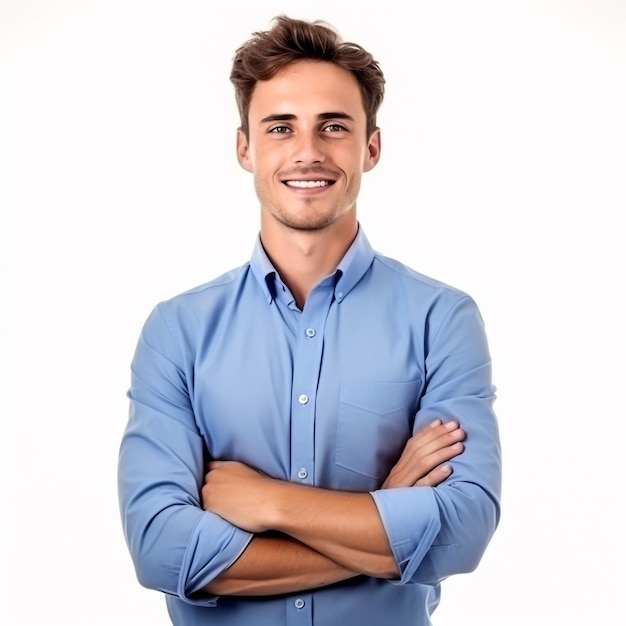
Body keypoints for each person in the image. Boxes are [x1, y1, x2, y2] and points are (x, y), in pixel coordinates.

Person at [118, 15, 502, 626]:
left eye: (333, 126)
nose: (307, 151)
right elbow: (163, 550)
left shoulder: (442, 319)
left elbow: (461, 533)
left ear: (370, 147)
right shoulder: (177, 332)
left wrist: (266, 502)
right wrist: (388, 512)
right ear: (245, 147)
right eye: (280, 127)